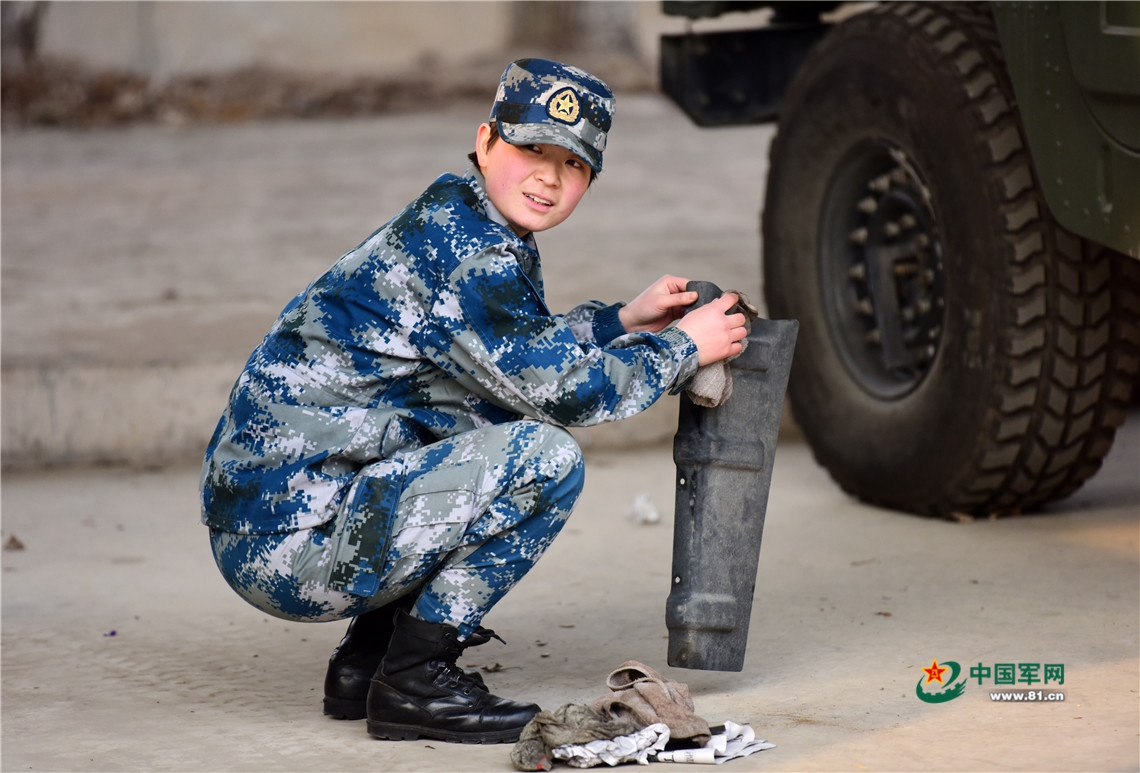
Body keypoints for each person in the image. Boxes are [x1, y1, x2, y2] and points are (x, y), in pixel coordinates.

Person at [199, 58, 748, 745]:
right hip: (287, 546)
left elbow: (511, 352)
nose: (548, 176)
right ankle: (417, 680)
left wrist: (620, 323)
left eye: (572, 165)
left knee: (482, 415)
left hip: (281, 514)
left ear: (591, 181)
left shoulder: (462, 215)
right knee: (543, 456)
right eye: (531, 149)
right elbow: (565, 393)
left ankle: (366, 663)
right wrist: (684, 349)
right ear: (487, 141)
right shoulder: (472, 253)